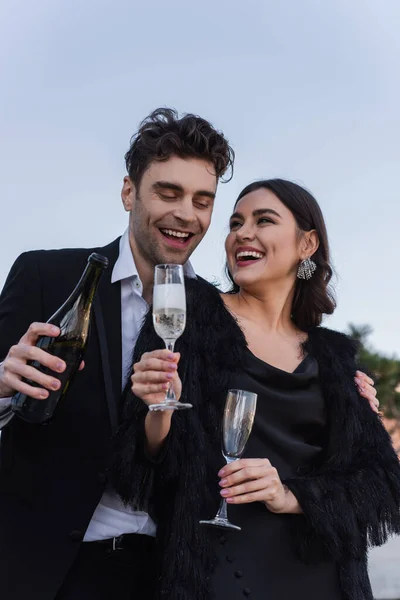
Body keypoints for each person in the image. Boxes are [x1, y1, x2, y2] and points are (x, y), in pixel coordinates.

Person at [114, 178, 400, 600]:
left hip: (324, 579)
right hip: (214, 575)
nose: (241, 234)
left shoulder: (335, 356)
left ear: (307, 244)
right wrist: (158, 409)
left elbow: (382, 483)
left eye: (263, 220)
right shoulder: (190, 313)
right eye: (235, 223)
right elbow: (145, 464)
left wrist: (288, 495)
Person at [0, 108, 235, 600]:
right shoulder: (46, 276)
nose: (186, 214)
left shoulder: (218, 314)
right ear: (129, 192)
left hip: (165, 576)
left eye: (202, 200)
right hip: (47, 571)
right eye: (167, 193)